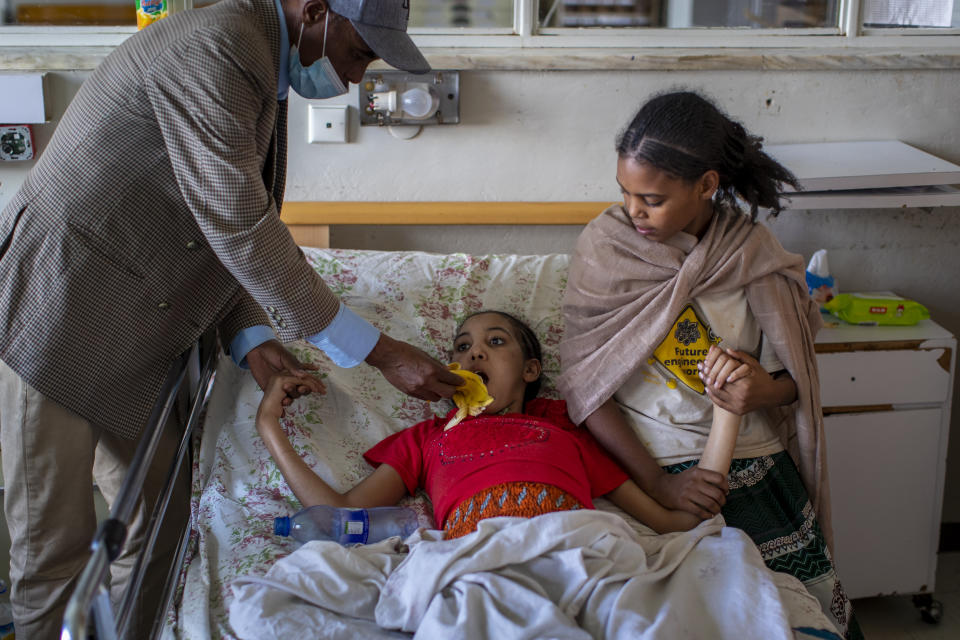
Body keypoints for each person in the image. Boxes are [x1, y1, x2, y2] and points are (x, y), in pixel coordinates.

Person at [0, 0, 463, 636]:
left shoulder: (264, 65)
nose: (357, 78)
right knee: (53, 550)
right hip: (63, 311)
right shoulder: (220, 45)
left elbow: (227, 222)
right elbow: (238, 226)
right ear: (318, 12)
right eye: (358, 53)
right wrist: (381, 351)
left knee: (160, 524)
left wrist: (252, 339)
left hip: (138, 328)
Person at [557, 91, 861, 638]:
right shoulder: (606, 251)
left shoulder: (754, 256)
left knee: (789, 616)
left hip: (755, 461)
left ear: (706, 185)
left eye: (652, 198)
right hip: (647, 464)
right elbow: (585, 389)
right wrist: (656, 483)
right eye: (624, 193)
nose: (634, 211)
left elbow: (797, 383)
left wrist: (758, 389)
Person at [256, 310, 697, 540]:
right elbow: (338, 517)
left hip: (574, 547)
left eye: (495, 342)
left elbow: (662, 521)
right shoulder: (427, 438)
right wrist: (269, 426)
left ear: (530, 370)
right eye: (462, 347)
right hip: (477, 557)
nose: (473, 356)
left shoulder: (562, 427)